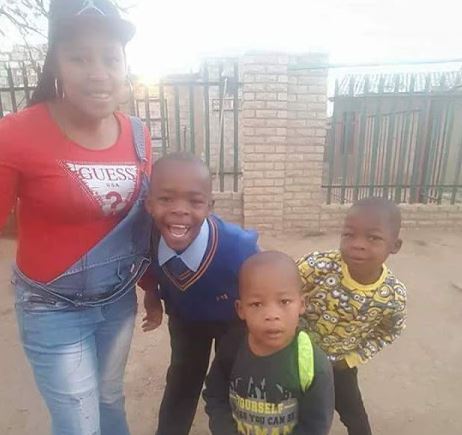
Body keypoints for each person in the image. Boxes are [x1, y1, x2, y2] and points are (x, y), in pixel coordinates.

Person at [0, 1, 152, 434]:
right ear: (57, 64)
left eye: (110, 58)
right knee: (79, 422)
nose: (98, 73)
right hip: (52, 308)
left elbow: (139, 224)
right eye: (79, 58)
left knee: (109, 399)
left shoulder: (138, 134)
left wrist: (153, 287)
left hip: (117, 300)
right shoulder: (16, 133)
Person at [138, 152, 260, 435]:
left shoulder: (237, 246)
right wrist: (152, 297)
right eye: (166, 199)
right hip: (186, 319)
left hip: (233, 321)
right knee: (183, 377)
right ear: (149, 204)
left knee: (233, 377)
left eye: (194, 201)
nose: (180, 210)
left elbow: (264, 278)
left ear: (209, 206)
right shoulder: (147, 236)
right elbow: (150, 267)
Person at [297, 197, 408, 435]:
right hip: (296, 355)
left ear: (395, 245)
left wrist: (352, 358)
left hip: (340, 365)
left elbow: (388, 332)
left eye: (373, 238)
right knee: (296, 411)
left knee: (355, 416)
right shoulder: (318, 266)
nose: (358, 244)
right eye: (349, 235)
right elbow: (282, 287)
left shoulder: (392, 296)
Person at [203, 251, 334, 435]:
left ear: (302, 304)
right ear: (241, 309)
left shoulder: (312, 363)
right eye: (257, 304)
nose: (272, 315)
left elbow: (315, 425)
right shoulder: (232, 347)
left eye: (284, 301)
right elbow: (215, 395)